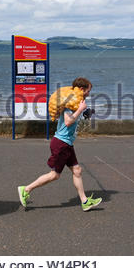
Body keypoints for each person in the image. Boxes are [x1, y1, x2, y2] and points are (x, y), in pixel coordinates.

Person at [17, 77, 102, 212]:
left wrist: (86, 112)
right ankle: (26, 189)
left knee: (77, 171)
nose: (89, 94)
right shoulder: (69, 102)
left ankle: (84, 201)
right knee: (54, 175)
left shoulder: (75, 102)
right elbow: (68, 121)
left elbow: (76, 115)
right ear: (81, 89)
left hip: (66, 143)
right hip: (61, 143)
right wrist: (80, 110)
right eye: (88, 91)